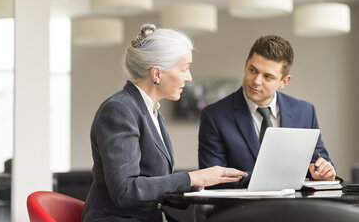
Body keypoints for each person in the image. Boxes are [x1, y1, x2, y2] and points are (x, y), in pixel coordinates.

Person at [82, 23, 248, 222]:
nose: (189, 77)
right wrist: (191, 178)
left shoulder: (151, 110)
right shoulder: (119, 110)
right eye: (184, 69)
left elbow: (152, 185)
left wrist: (192, 184)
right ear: (157, 74)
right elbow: (125, 191)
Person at [198, 35, 336, 189]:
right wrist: (282, 178)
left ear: (283, 82)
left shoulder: (305, 112)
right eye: (252, 70)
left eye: (267, 76)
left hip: (294, 210)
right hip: (238, 211)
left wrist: (323, 172)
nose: (256, 81)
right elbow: (212, 180)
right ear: (245, 65)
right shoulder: (214, 116)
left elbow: (318, 160)